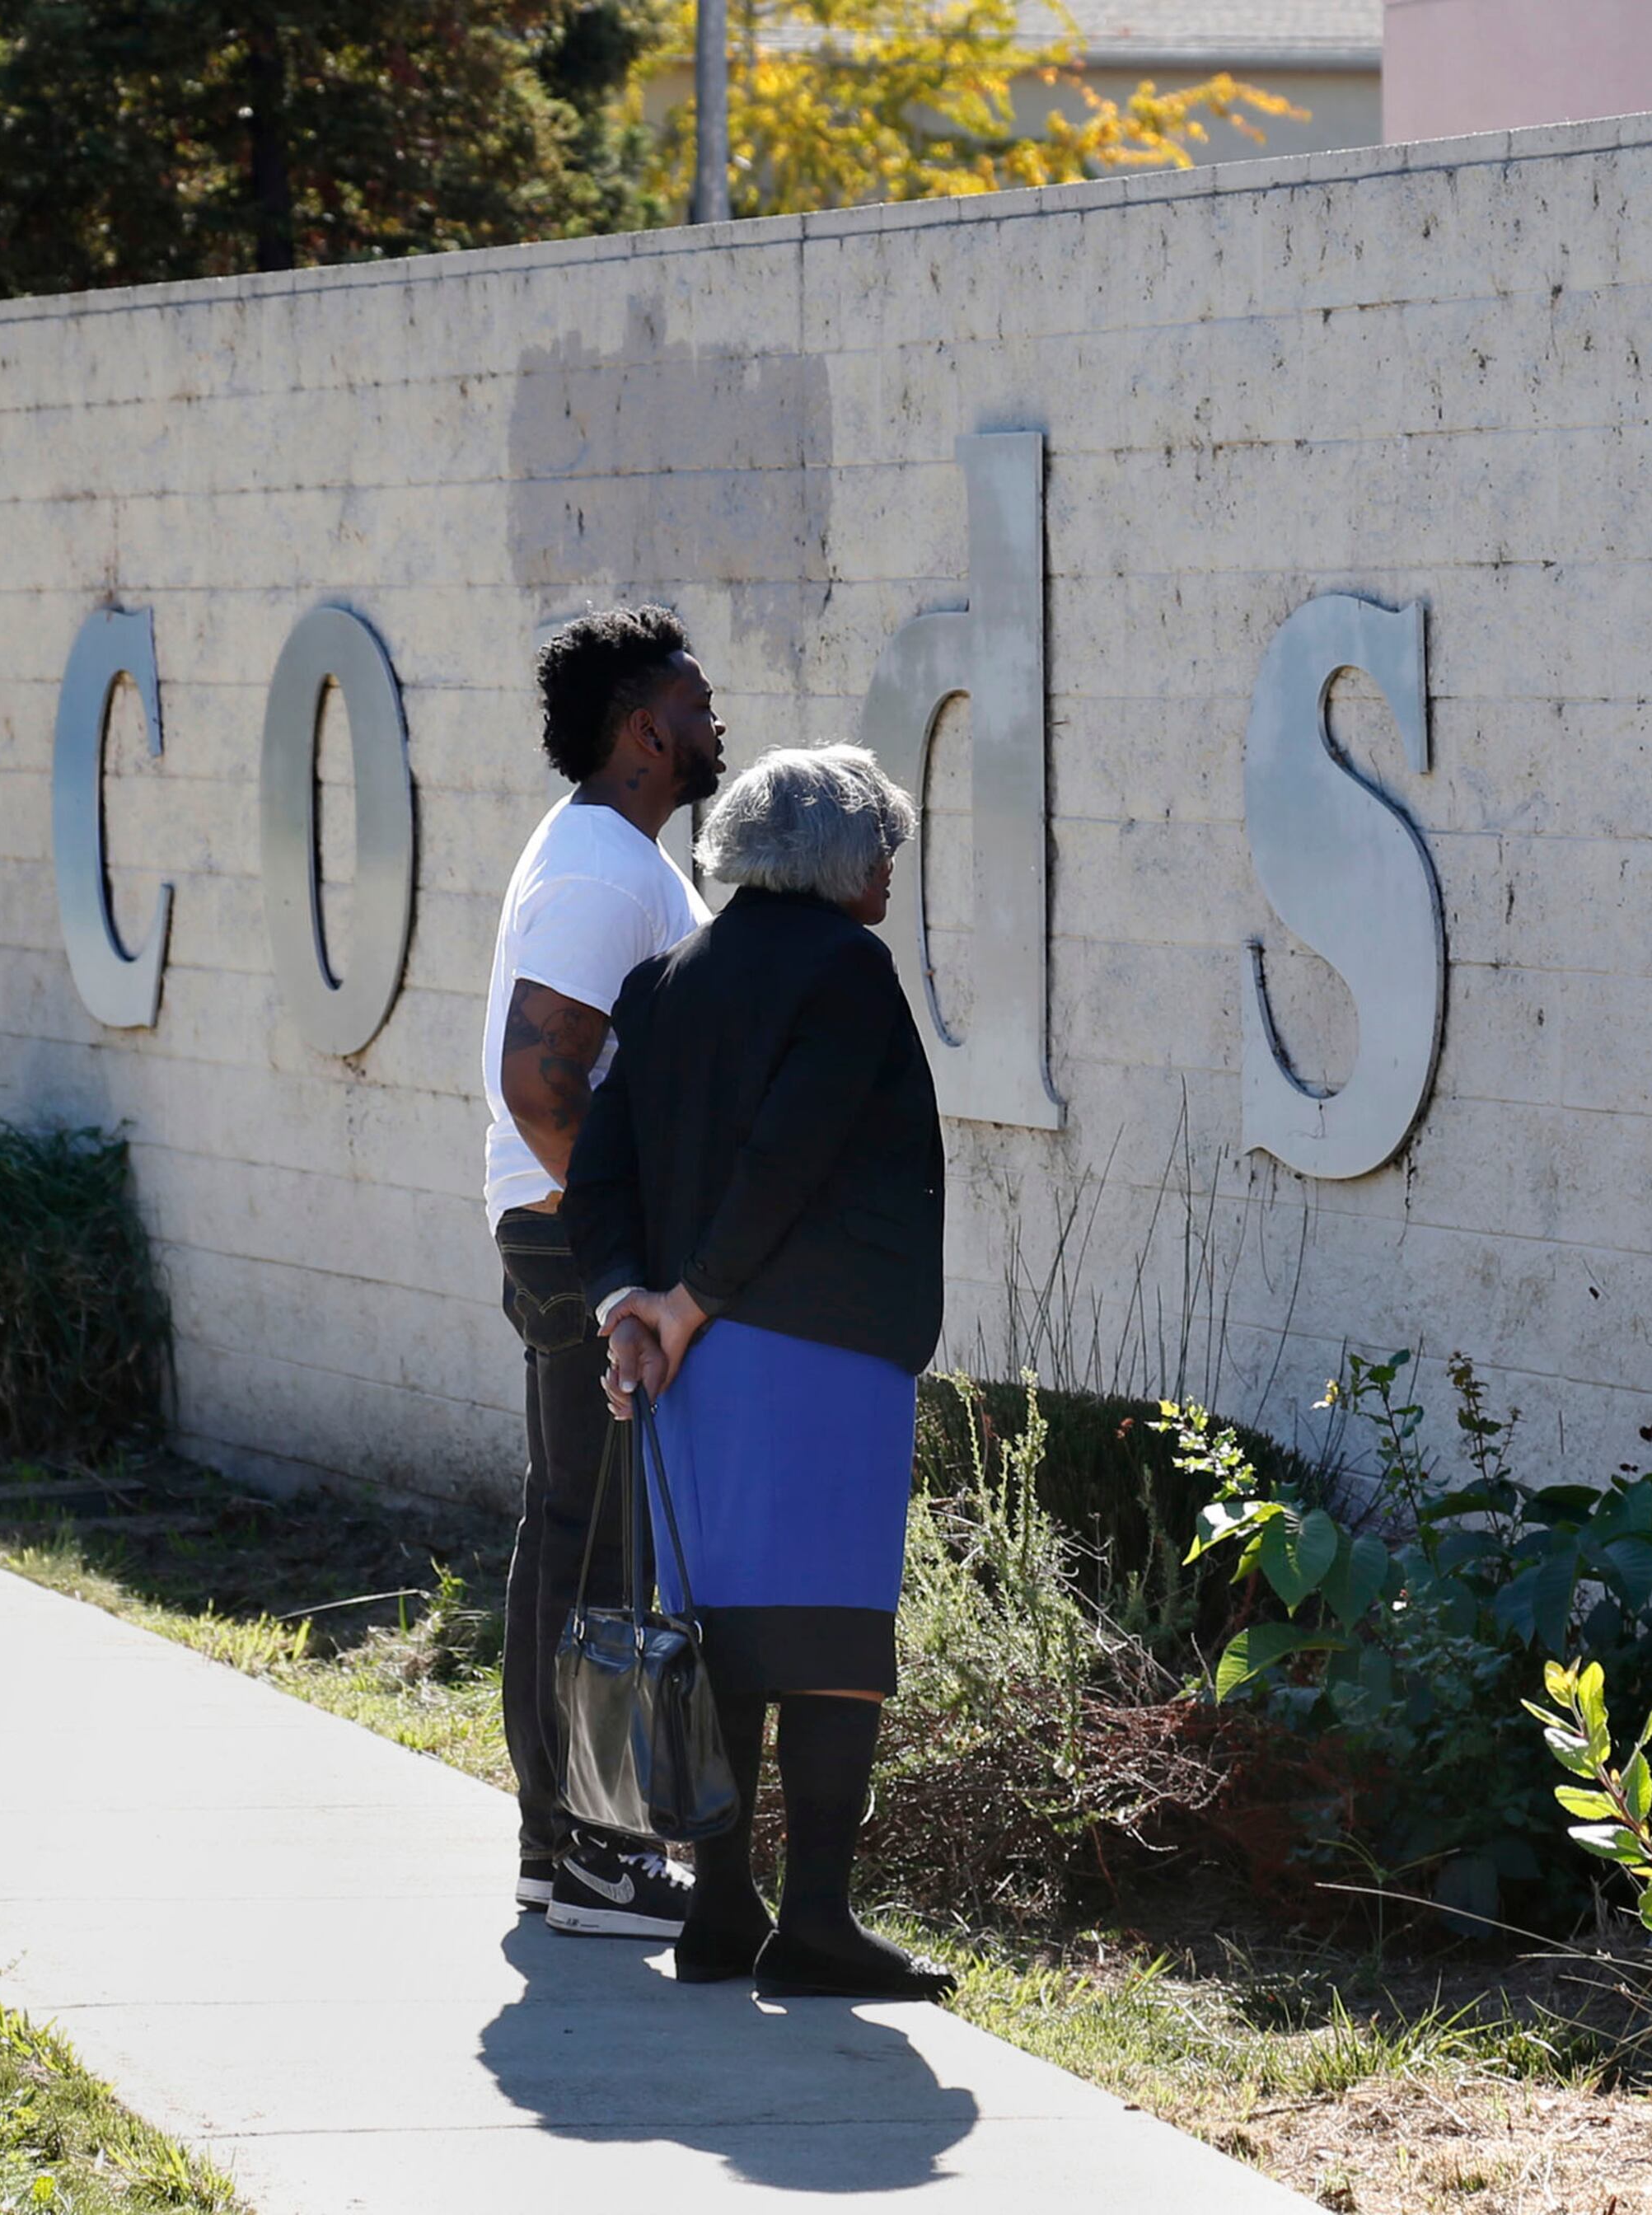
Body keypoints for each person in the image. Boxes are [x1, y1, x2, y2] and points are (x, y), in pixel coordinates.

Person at [565, 744, 955, 2002]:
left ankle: (723, 1915)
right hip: (820, 1352)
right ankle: (821, 1922)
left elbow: (600, 1167)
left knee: (720, 1638)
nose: (893, 869)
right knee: (834, 1639)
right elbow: (795, 1152)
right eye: (883, 844)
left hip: (696, 1368)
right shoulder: (850, 970)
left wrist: (634, 1304)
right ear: (840, 859)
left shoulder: (661, 983)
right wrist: (689, 1297)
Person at [482, 605, 723, 1940]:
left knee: (581, 1534)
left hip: (577, 1236)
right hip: (581, 1242)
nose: (713, 723)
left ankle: (559, 1847)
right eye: (697, 702)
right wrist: (625, 1267)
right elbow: (540, 1079)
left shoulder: (611, 853)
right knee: (590, 1545)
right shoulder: (598, 865)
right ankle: (585, 1850)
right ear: (645, 729)